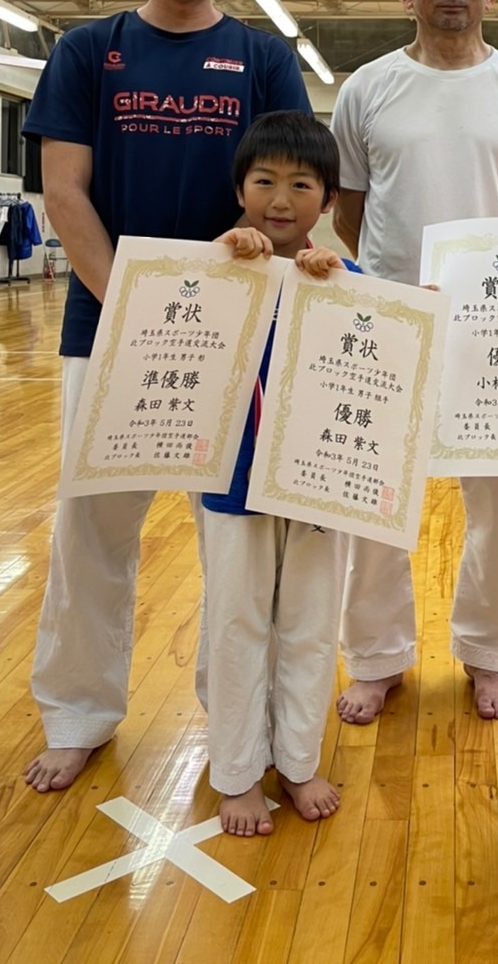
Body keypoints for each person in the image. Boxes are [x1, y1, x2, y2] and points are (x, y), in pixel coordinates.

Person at [22, 0, 309, 793]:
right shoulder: (86, 50)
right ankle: (78, 711)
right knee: (92, 528)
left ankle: (236, 722)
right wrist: (131, 307)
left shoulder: (263, 56)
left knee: (231, 539)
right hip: (106, 325)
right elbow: (64, 193)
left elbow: (293, 189)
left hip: (243, 334)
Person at [330, 0, 498, 723]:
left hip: (497, 329)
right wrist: (401, 280)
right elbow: (352, 213)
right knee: (375, 496)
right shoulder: (366, 89)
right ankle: (376, 656)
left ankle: (493, 653)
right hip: (393, 316)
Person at [204, 111, 357, 836]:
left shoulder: (342, 276)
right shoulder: (221, 260)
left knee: (309, 626)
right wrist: (224, 255)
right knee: (237, 622)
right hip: (231, 483)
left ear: (328, 201)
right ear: (239, 186)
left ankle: (297, 760)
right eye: (265, 179)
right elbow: (185, 311)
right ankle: (235, 772)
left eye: (303, 184)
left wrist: (339, 281)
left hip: (318, 480)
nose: (281, 198)